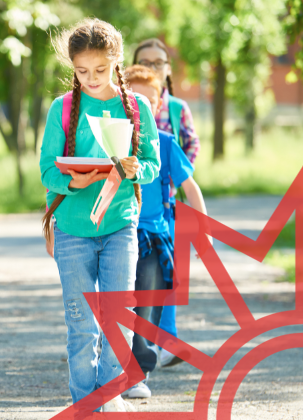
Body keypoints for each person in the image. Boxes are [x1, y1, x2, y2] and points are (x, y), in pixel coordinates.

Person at [40, 18, 160, 414]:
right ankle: (85, 402)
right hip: (73, 228)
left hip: (120, 225)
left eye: (101, 70)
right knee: (81, 323)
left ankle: (110, 396)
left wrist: (132, 169)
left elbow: (152, 164)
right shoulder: (63, 108)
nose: (91, 79)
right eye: (81, 71)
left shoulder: (137, 107)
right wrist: (73, 182)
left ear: (117, 61)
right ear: (72, 67)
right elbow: (47, 171)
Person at [120, 65, 210, 399]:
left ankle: (136, 373)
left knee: (148, 307)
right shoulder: (109, 141)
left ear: (158, 106)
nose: (142, 105)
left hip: (154, 238)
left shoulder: (166, 143)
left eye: (149, 100)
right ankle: (109, 366)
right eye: (134, 99)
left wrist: (204, 231)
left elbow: (191, 188)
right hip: (115, 234)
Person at [133, 38, 203, 366]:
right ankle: (139, 341)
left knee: (167, 273)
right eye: (144, 62)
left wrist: (171, 179)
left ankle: (167, 341)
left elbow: (190, 145)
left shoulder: (174, 108)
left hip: (166, 204)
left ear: (168, 69)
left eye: (157, 62)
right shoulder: (127, 104)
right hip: (133, 208)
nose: (151, 67)